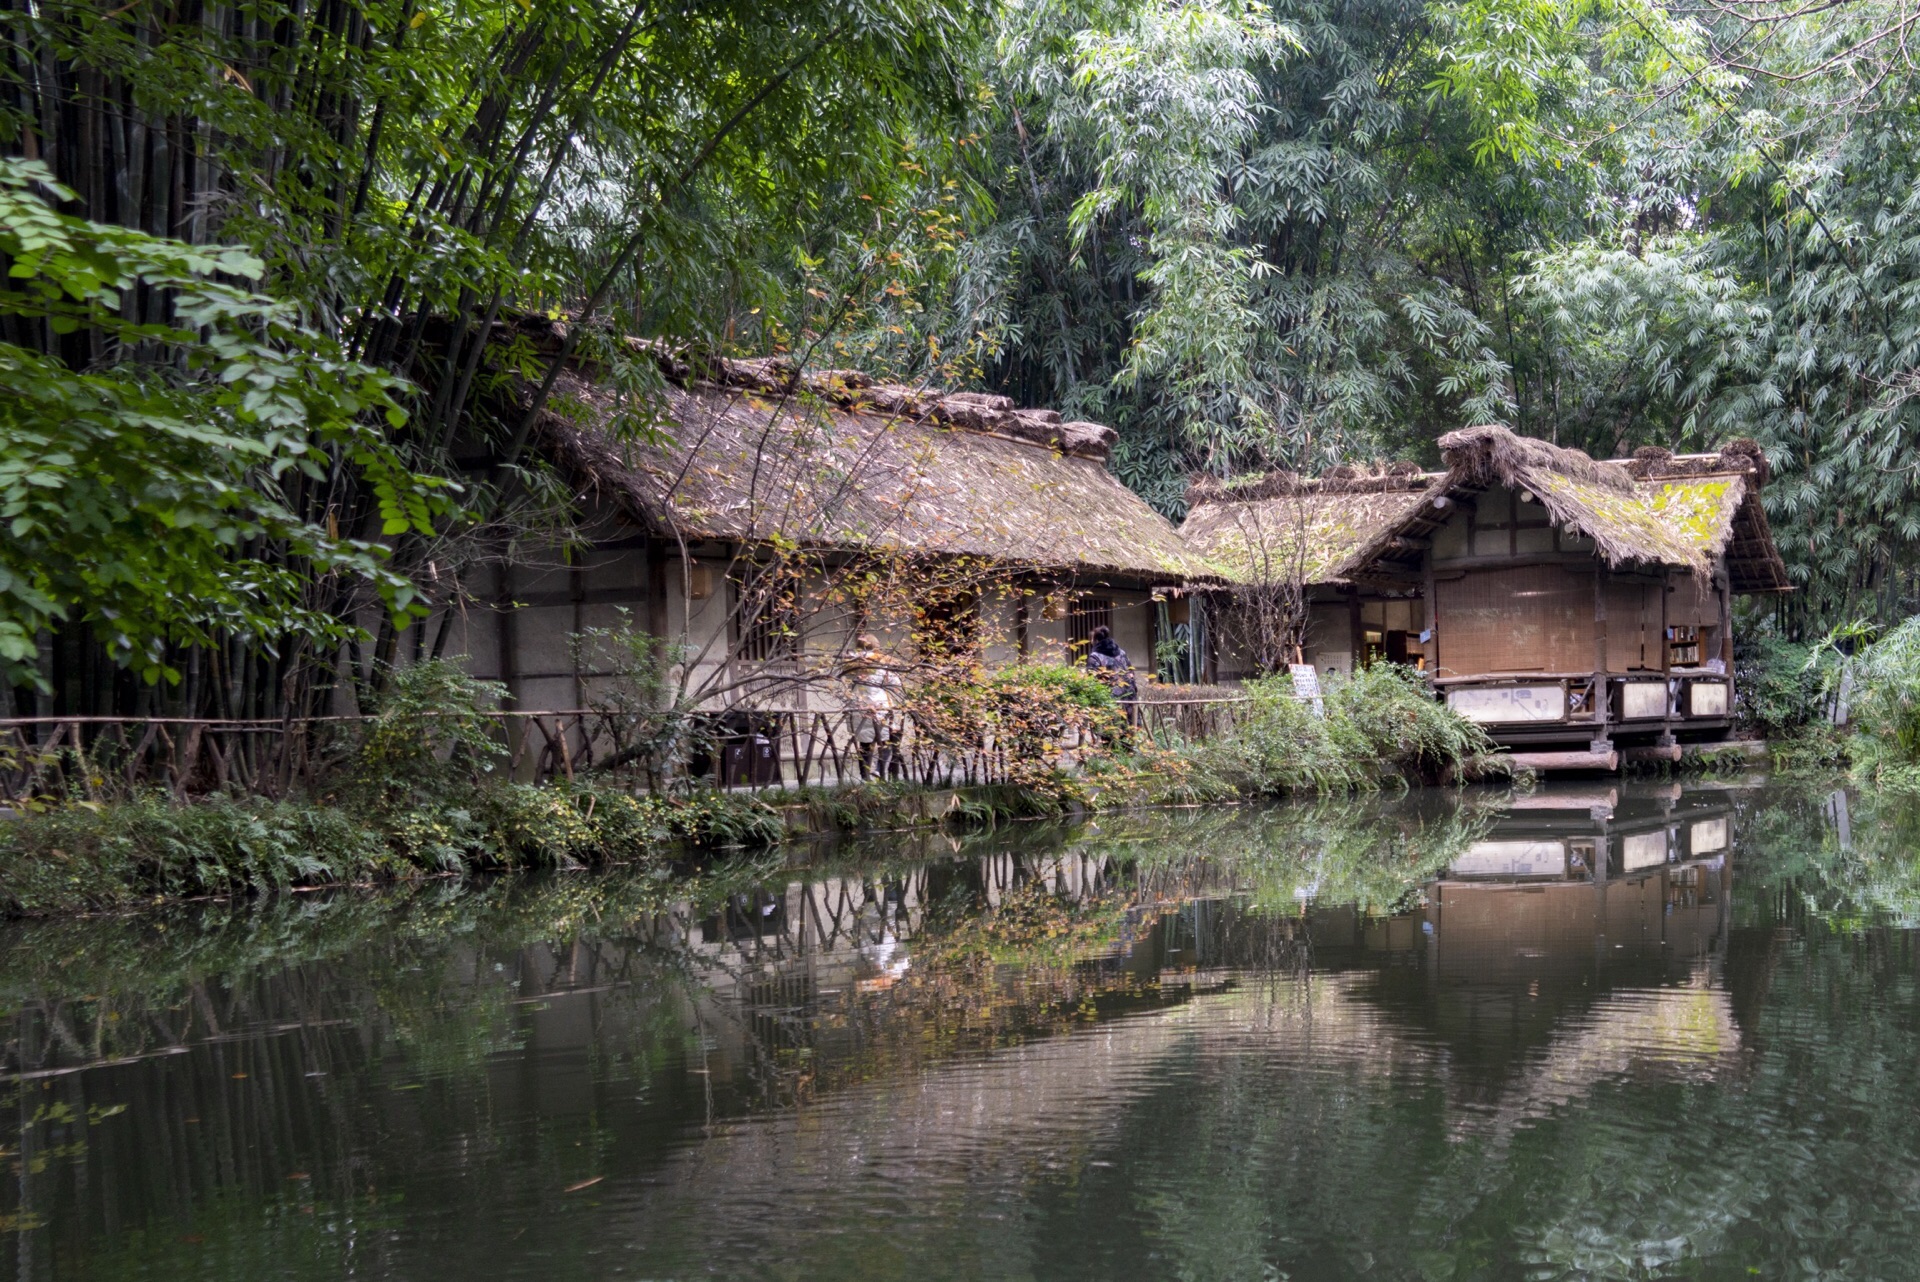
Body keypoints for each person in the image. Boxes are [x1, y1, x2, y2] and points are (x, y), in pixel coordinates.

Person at [843, 634, 904, 779]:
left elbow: (845, 678)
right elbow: (896, 683)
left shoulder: (851, 662)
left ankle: (865, 776)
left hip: (859, 706)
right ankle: (880, 769)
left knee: (865, 744)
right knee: (887, 740)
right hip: (880, 706)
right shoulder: (882, 662)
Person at [1084, 625, 1140, 730]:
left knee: (1111, 730)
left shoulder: (1095, 656)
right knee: (1132, 730)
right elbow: (1131, 672)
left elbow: (1092, 681)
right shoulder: (1122, 652)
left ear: (1095, 640)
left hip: (1109, 697)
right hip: (1128, 694)